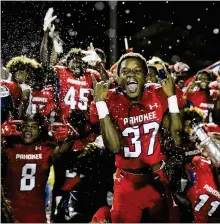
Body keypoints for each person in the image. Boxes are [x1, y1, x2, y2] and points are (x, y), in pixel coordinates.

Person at [90, 52, 185, 222]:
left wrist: (171, 97)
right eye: (125, 72)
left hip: (158, 176)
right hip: (126, 181)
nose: (131, 75)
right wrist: (101, 104)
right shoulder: (109, 99)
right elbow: (114, 147)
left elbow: (176, 136)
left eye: (137, 71)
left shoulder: (159, 93)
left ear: (146, 76)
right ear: (118, 78)